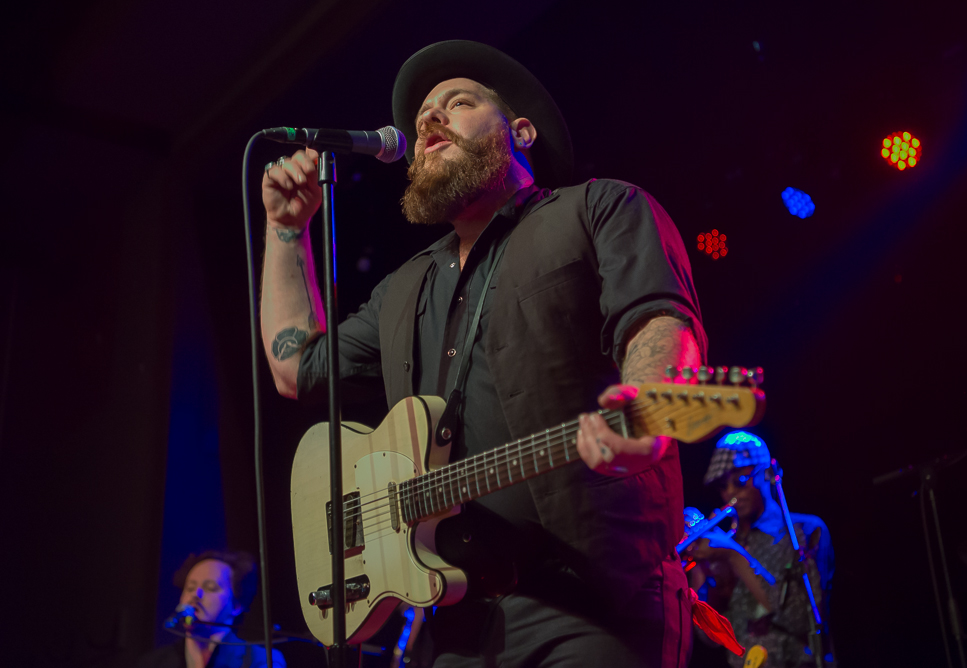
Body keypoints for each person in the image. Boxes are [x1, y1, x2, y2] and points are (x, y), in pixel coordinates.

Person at [260, 40, 711, 667]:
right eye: (421, 121)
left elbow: (658, 320)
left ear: (520, 131)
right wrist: (287, 231)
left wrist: (644, 407)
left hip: (593, 598)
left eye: (458, 103)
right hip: (455, 617)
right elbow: (295, 368)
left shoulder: (598, 207)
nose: (428, 122)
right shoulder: (403, 288)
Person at [684, 432, 834, 668]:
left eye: (741, 481)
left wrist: (734, 555)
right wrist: (701, 568)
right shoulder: (728, 543)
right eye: (723, 486)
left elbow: (801, 619)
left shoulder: (804, 530)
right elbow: (710, 638)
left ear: (766, 474)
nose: (731, 493)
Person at [136, 550, 286, 668]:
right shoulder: (152, 663)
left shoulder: (262, 660)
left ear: (236, 605)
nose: (196, 594)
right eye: (190, 588)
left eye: (210, 588)